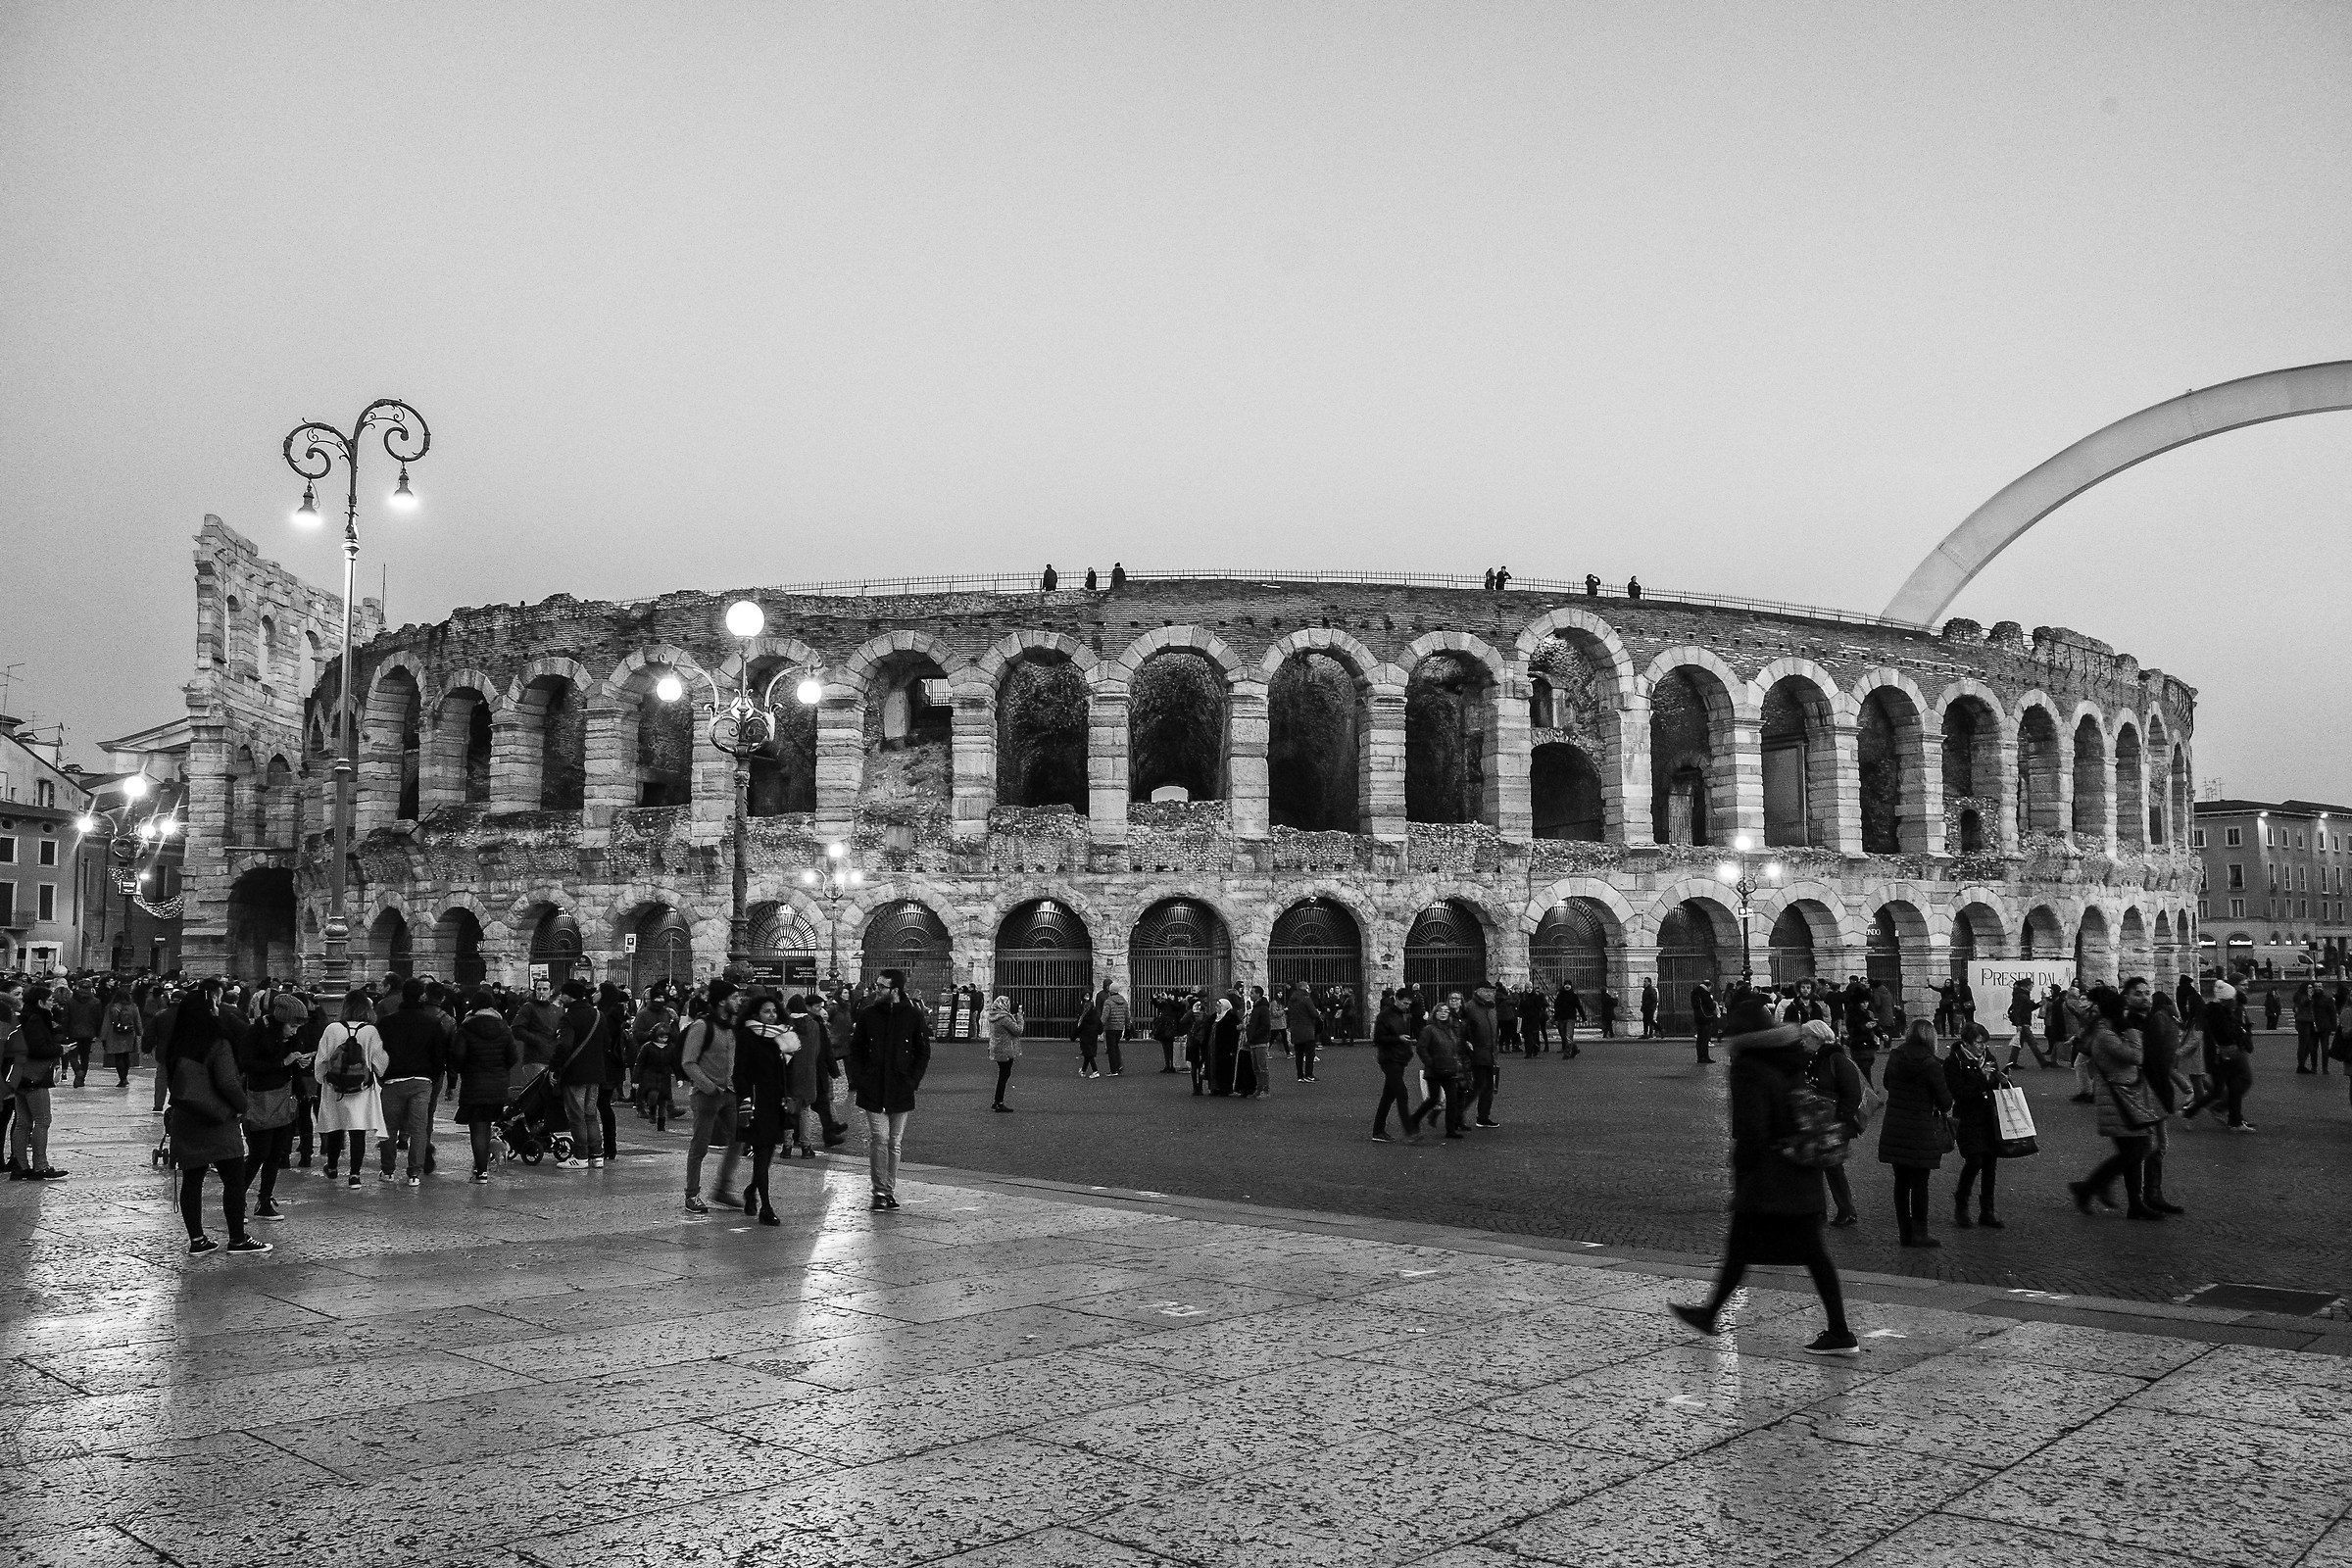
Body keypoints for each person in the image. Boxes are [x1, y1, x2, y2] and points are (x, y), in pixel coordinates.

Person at [1671, 994, 1858, 1355]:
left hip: (1769, 1177)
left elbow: (1752, 1128)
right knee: (1802, 1253)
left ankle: (1840, 1332)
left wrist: (1744, 1171)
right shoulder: (1788, 1055)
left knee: (1747, 1248)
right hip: (1798, 1171)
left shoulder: (1748, 1067)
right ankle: (1837, 1330)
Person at [162, 985, 268, 1255]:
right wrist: (243, 1107)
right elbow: (228, 1082)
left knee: (192, 1179)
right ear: (209, 1009)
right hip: (217, 1119)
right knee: (234, 1179)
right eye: (217, 1004)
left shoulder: (177, 1042)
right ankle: (237, 1239)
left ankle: (197, 1240)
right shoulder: (217, 1041)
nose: (219, 1008)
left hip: (188, 1117)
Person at [2069, 985, 2166, 1219]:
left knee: (2135, 1150)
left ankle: (2132, 1202)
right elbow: (2135, 1056)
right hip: (2117, 1100)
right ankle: (2090, 1187)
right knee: (2134, 1151)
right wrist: (2133, 1031)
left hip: (2124, 1097)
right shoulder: (2105, 1035)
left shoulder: (2108, 1031)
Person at [849, 967, 931, 1210]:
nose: (876, 990)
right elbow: (856, 1050)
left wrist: (912, 1080)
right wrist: (862, 1078)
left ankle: (889, 1190)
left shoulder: (912, 1015)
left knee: (894, 1141)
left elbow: (923, 1051)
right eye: (876, 985)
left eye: (881, 986)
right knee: (879, 1138)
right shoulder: (868, 1014)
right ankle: (879, 1191)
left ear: (895, 990)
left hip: (900, 1087)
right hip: (873, 1087)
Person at [1877, 1017, 1954, 1248]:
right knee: (1920, 1183)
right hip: (1920, 1128)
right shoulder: (1931, 1064)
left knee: (1901, 1182)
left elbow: (1887, 1083)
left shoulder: (1896, 1056)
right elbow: (1945, 1102)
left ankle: (1905, 1232)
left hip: (1895, 1126)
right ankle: (1920, 1232)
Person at [234, 991, 304, 1221]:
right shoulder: (255, 1032)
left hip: (283, 1099)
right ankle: (236, 1199)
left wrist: (298, 1062)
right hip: (260, 1099)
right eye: (292, 1025)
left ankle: (265, 1200)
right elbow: (247, 1064)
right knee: (258, 1153)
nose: (295, 1031)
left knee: (276, 1154)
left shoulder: (289, 1037)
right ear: (280, 1021)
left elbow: (288, 1066)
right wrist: (282, 1061)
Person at [313, 990, 388, 1190]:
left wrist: (321, 1079)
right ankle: (355, 1175)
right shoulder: (370, 1031)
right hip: (361, 1088)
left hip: (335, 1087)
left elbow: (321, 1059)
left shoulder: (332, 1028)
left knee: (336, 1126)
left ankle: (333, 1166)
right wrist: (374, 1073)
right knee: (358, 1130)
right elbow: (380, 1061)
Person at [680, 979, 744, 1214]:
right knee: (700, 1145)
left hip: (729, 1093)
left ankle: (722, 1189)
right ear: (721, 1001)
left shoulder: (730, 1026)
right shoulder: (701, 1026)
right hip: (706, 1095)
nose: (739, 1001)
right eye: (735, 998)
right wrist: (710, 1087)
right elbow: (688, 1062)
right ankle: (692, 1194)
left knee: (738, 1139)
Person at [733, 994, 797, 1225]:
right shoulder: (747, 1036)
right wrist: (745, 1101)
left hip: (776, 1101)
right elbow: (739, 1072)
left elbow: (788, 1070)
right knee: (761, 1153)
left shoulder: (782, 1036)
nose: (771, 1015)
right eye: (766, 1011)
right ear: (755, 1014)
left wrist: (789, 1094)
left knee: (766, 1154)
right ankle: (766, 1208)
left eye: (774, 1011)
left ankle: (751, 1190)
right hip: (757, 1101)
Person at [374, 979, 445, 1185]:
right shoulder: (432, 1023)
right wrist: (431, 1076)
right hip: (421, 1081)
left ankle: (387, 1170)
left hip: (393, 1080)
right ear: (422, 996)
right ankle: (414, 1173)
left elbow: (378, 1052)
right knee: (418, 1128)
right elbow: (439, 1056)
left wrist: (382, 1075)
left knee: (388, 1127)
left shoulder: (387, 1022)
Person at [2129, 977, 2186, 1214]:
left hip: (2155, 1089)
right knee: (2145, 1147)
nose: (2144, 998)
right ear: (2127, 997)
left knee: (2156, 1145)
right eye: (2137, 993)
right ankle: (2144, 1197)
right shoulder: (2132, 1024)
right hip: (2141, 1092)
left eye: (2146, 993)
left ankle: (2152, 1193)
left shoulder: (2151, 1019)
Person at [451, 991, 518, 1182]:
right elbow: (512, 1057)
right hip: (497, 1085)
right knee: (489, 1125)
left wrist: (465, 1070)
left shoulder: (466, 1027)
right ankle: (482, 1167)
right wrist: (499, 1068)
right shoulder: (503, 1026)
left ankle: (481, 1171)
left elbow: (458, 1056)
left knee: (478, 1129)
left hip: (474, 1084)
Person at [1943, 1022, 2005, 1230]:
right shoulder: (1953, 1063)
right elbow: (1959, 1093)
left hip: (1989, 1116)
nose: (1983, 1048)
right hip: (1968, 1118)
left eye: (1985, 1044)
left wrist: (2000, 1079)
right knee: (1974, 1160)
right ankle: (1961, 1202)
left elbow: (1993, 1085)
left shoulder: (1989, 1058)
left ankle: (1987, 1211)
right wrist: (1981, 1077)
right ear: (1966, 1043)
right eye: (1979, 1044)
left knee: (1990, 1164)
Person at [1801, 1018, 1862, 1227]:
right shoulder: (1812, 1058)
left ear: (1818, 1038)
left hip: (1836, 1122)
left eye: (1805, 1037)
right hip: (1818, 1121)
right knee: (1816, 1165)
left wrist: (1841, 1118)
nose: (1802, 1041)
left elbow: (1852, 1093)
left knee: (1833, 1167)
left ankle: (1846, 1210)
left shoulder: (1836, 1059)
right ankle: (1818, 1210)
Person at [549, 980, 607, 1170]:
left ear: (569, 995)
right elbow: (605, 1043)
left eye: (562, 994)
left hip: (575, 1074)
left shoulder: (569, 1017)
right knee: (591, 1115)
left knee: (576, 1116)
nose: (560, 998)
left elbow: (564, 1046)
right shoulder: (599, 1015)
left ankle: (581, 1156)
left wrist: (554, 1067)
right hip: (596, 1073)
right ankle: (597, 1155)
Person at [1370, 991, 1420, 1143]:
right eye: (1405, 1003)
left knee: (1388, 1096)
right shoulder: (1385, 1016)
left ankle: (1378, 1131)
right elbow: (1378, 1039)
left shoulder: (1398, 1015)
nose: (1407, 1006)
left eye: (1409, 1004)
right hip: (1389, 1059)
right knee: (1402, 1093)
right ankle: (1410, 1131)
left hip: (1398, 1058)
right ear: (1396, 1000)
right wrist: (1398, 1039)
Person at [1415, 999, 1467, 1139]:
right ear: (1435, 1013)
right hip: (1435, 1070)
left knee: (1452, 1100)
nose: (1444, 1014)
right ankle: (1414, 1119)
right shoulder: (1429, 1029)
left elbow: (1454, 1048)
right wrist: (1430, 1063)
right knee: (1433, 1099)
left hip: (1450, 1069)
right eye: (1441, 1011)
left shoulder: (1450, 1030)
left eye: (1446, 1011)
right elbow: (1421, 1048)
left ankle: (1450, 1130)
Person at [1461, 982, 1501, 1126]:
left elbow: (1494, 1031)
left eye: (1492, 992)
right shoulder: (1469, 1007)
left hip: (1490, 1053)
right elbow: (1462, 1029)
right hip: (1476, 1052)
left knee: (1488, 1087)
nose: (1491, 994)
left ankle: (1483, 1117)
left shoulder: (1491, 1008)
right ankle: (1457, 1112)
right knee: (1476, 1086)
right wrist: (1466, 1043)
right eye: (1487, 991)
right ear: (1478, 991)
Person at [100, 986, 142, 1088]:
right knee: (126, 1056)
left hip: (115, 1034)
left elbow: (106, 1022)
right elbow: (138, 1021)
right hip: (129, 1034)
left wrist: (103, 1037)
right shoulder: (133, 1007)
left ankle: (122, 1078)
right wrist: (140, 1032)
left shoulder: (112, 1007)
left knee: (118, 1056)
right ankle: (125, 1077)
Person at [2004, 977, 2050, 1069]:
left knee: (2018, 1044)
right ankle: (2042, 1062)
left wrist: (2038, 1004)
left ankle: (2012, 1062)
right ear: (2027, 986)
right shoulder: (2022, 996)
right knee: (2032, 1043)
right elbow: (2019, 1011)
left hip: (2023, 1022)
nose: (2032, 987)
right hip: (2024, 1023)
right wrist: (2019, 1024)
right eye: (2031, 985)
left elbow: (2024, 1009)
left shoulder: (2020, 995)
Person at [987, 994, 1022, 1111]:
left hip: (996, 1048)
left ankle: (997, 1101)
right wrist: (1020, 1017)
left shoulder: (993, 1016)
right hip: (1006, 1049)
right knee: (1004, 1075)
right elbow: (1017, 1030)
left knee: (1003, 1074)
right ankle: (998, 1102)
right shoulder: (1004, 1018)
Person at [1287, 983, 1321, 1082]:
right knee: (1310, 1054)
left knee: (1299, 1055)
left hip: (1295, 1029)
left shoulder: (1292, 1000)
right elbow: (1313, 1013)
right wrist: (1317, 1013)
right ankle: (1309, 1074)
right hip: (1307, 1029)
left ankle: (1300, 1075)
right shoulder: (1306, 999)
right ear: (1305, 988)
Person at [1245, 987, 1273, 1097]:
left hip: (1260, 1041)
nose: (1250, 994)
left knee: (1262, 1067)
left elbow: (1265, 1026)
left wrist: (1254, 1035)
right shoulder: (1256, 1008)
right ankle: (1259, 1088)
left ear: (1259, 994)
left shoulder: (1263, 1009)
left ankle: (1265, 1090)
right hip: (1253, 1041)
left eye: (1252, 993)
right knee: (1256, 1068)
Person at [1098, 980, 1129, 1077]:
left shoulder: (1109, 1001)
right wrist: (1127, 1026)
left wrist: (1100, 1026)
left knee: (1111, 1049)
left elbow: (1105, 1016)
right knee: (1115, 1046)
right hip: (1120, 1027)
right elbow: (1127, 1015)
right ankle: (1118, 1066)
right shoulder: (1123, 1000)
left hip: (1110, 1027)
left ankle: (1113, 1070)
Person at [1075, 991, 1102, 1079]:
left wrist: (1074, 1034)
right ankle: (1083, 1070)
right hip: (1092, 1034)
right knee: (1087, 1053)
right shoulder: (1093, 1012)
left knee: (1089, 1053)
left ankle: (1095, 1071)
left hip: (1086, 1034)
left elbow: (1081, 1024)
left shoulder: (1085, 1015)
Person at [1690, 980, 1718, 1063]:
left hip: (1698, 1017)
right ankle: (1705, 1057)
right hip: (1706, 1017)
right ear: (1708, 986)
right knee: (1705, 1038)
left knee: (1700, 1037)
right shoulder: (1705, 993)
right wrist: (1714, 1004)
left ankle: (1700, 1057)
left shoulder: (1694, 992)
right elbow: (1710, 1005)